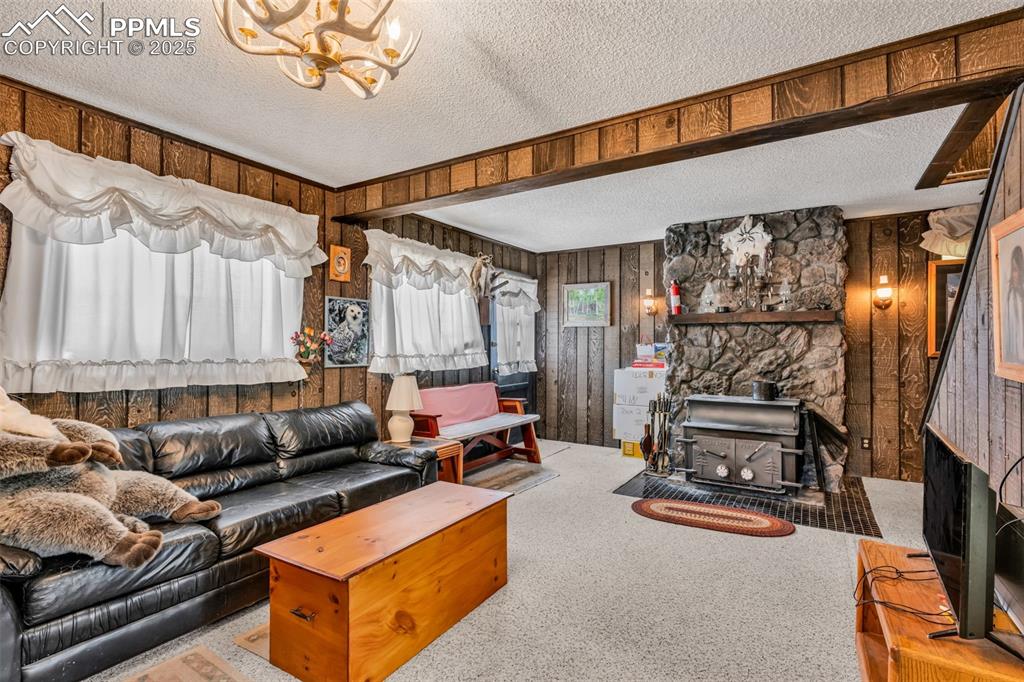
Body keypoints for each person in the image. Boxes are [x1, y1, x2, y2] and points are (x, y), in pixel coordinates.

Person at [1006, 245, 1024, 364]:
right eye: (1013, 270)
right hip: (1015, 356)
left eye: (1016, 270)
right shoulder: (1011, 295)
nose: (1014, 275)